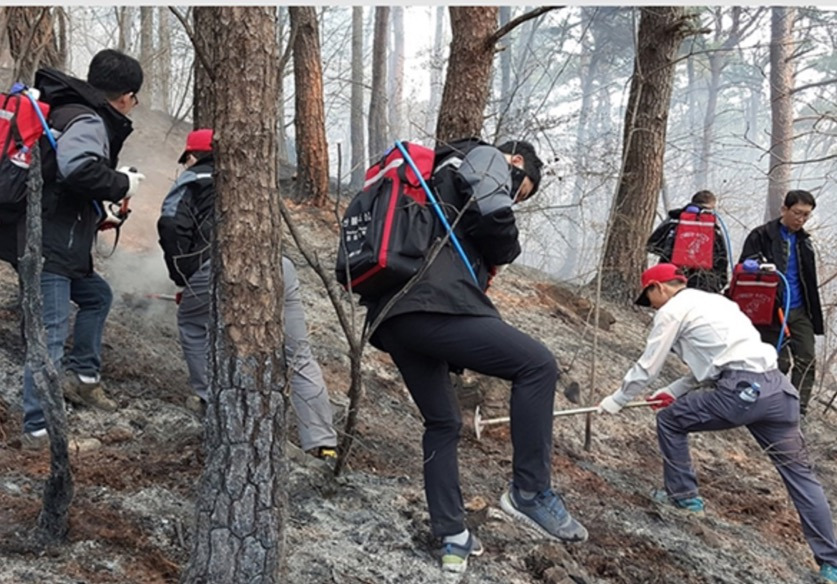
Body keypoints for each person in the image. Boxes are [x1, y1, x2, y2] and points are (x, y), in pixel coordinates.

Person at [365, 138, 587, 575]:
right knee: (538, 364)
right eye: (520, 190)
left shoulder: (437, 173)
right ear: (517, 162)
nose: (514, 198)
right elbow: (496, 220)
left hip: (392, 317)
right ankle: (529, 491)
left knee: (443, 421)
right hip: (432, 303)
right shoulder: (488, 157)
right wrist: (506, 247)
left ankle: (453, 535)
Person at [597, 263, 837, 583]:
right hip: (779, 393)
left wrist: (618, 399)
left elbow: (648, 365)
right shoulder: (717, 302)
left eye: (648, 297)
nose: (649, 305)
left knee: (670, 421)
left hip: (741, 393)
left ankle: (683, 496)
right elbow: (719, 360)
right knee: (801, 477)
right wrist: (673, 390)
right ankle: (831, 563)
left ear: (658, 287)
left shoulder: (670, 311)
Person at [156, 129, 338, 461]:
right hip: (277, 266)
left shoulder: (192, 179)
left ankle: (210, 403)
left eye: (187, 158)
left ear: (193, 156)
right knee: (298, 355)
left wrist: (182, 276)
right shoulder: (252, 177)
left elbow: (170, 225)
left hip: (219, 265)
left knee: (194, 327)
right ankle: (323, 443)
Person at [7, 49, 146, 450]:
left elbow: (62, 178)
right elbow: (79, 168)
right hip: (50, 245)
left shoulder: (65, 111)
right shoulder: (87, 119)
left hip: (52, 237)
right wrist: (123, 184)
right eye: (134, 100)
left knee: (97, 296)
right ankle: (38, 430)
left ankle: (82, 378)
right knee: (48, 334)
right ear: (126, 95)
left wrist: (99, 209)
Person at [739, 190, 823, 416]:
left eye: (806, 215)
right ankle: (765, 405)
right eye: (797, 213)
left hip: (798, 309)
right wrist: (754, 265)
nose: (801, 219)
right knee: (779, 361)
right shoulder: (761, 235)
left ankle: (796, 408)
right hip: (770, 309)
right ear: (784, 209)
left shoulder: (804, 242)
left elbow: (809, 280)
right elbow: (744, 267)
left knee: (806, 358)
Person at [646, 190, 729, 293]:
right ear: (712, 207)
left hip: (673, 279)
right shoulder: (713, 229)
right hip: (704, 283)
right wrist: (720, 283)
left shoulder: (674, 221)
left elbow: (652, 246)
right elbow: (721, 259)